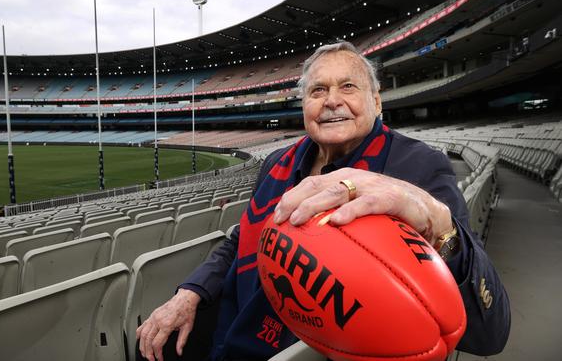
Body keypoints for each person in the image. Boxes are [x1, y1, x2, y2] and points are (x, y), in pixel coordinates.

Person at [136, 41, 511, 361]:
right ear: (304, 105)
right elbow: (242, 240)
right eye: (317, 91)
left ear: (377, 102)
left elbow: (488, 332)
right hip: (237, 333)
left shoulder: (418, 165)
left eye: (348, 87)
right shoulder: (275, 164)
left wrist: (437, 221)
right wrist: (190, 293)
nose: (332, 101)